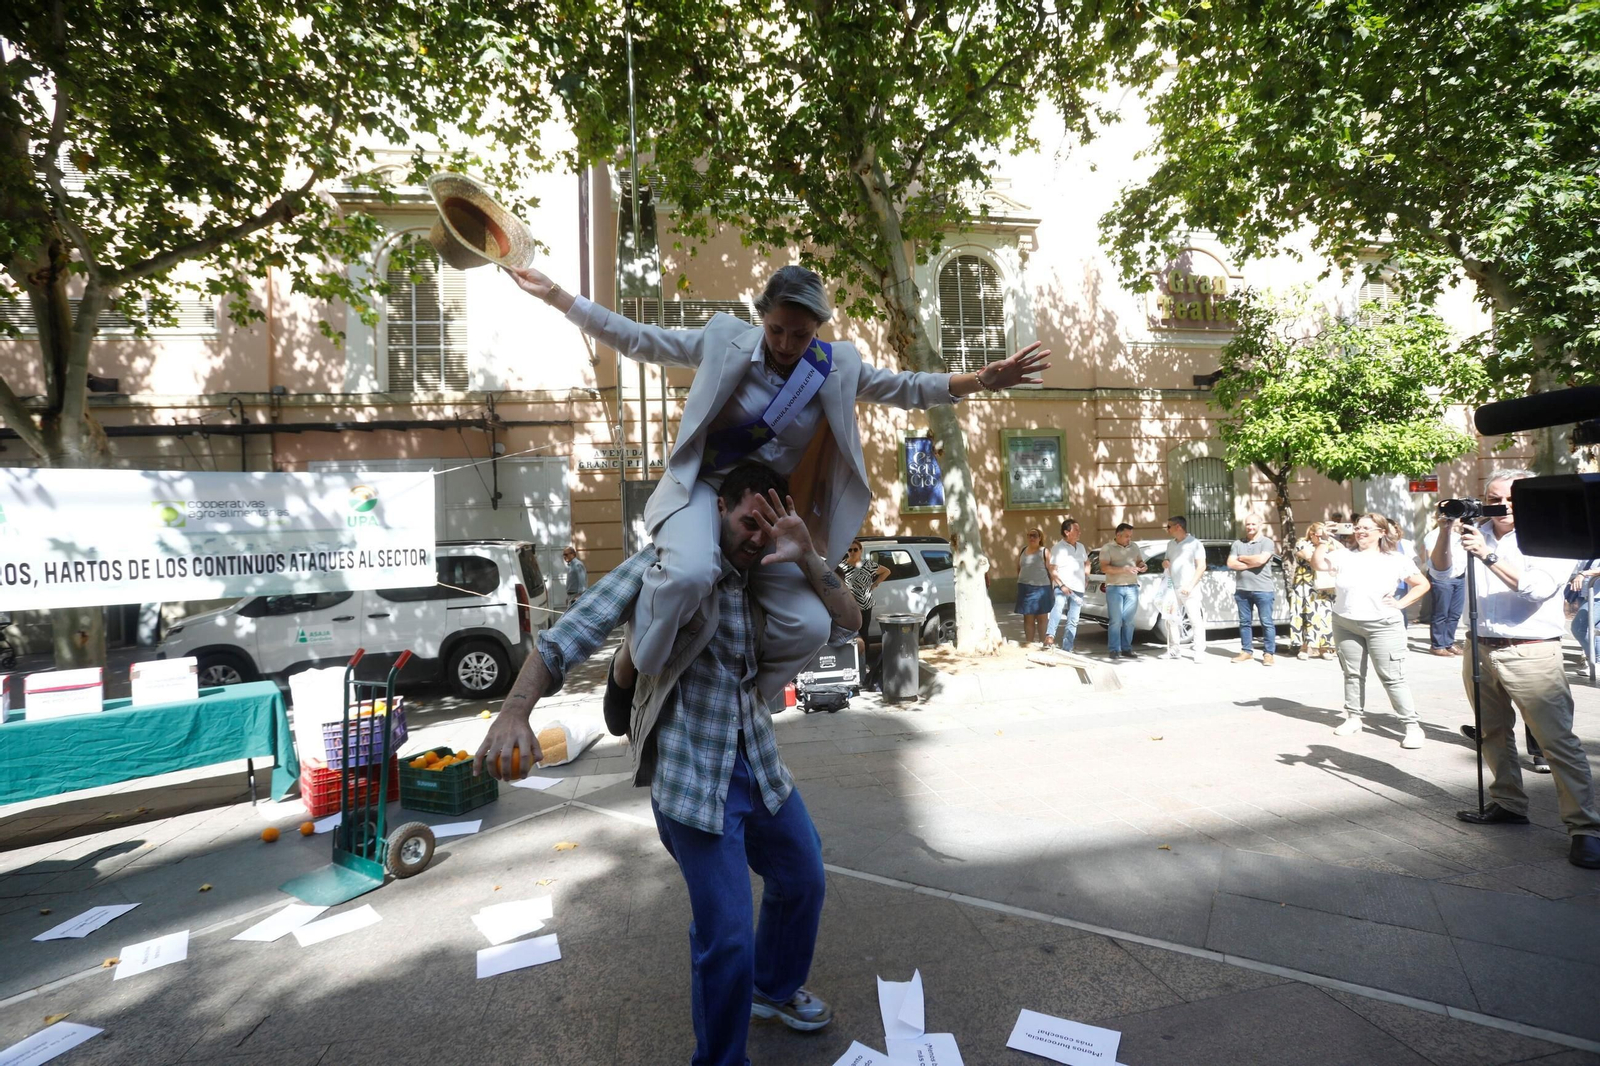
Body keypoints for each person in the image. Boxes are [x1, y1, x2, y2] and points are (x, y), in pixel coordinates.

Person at [507, 262, 1048, 710]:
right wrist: (557, 296)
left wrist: (981, 380)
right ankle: (632, 667)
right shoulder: (723, 341)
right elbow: (639, 339)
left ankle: (749, 700)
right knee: (691, 573)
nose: (787, 344)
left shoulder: (835, 367)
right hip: (708, 490)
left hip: (772, 505)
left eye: (801, 334)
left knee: (809, 625)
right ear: (761, 318)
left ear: (818, 329)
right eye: (777, 330)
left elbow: (905, 387)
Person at [474, 462, 863, 1063]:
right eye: (748, 521)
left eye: (768, 524)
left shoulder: (769, 576)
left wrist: (806, 555)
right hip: (691, 779)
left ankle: (772, 988)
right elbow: (569, 634)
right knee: (726, 936)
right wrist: (514, 710)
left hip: (760, 767)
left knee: (804, 878)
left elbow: (849, 620)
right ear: (719, 509)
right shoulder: (667, 568)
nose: (757, 536)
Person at [1433, 470, 1599, 869]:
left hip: (1532, 651)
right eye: (1494, 498)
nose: (1503, 506)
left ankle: (1585, 829)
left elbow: (1537, 589)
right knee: (1491, 732)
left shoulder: (1550, 537)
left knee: (1556, 742)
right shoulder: (1474, 532)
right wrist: (1445, 529)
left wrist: (1488, 556)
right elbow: (1441, 573)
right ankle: (1508, 802)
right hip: (1479, 646)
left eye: (1512, 499)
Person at [1313, 513, 1430, 747]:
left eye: (1366, 528)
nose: (1360, 532)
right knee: (1352, 674)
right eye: (1358, 528)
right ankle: (1353, 718)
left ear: (1381, 532)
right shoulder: (1343, 555)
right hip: (1345, 623)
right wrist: (1323, 541)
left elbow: (1422, 584)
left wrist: (1401, 604)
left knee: (1392, 677)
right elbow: (1318, 564)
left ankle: (1411, 726)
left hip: (1383, 625)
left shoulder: (1396, 559)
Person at [1228, 514, 1279, 665]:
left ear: (1260, 525)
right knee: (1244, 622)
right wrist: (1253, 562)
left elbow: (1262, 560)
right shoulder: (1237, 543)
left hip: (1263, 589)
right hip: (1242, 589)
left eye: (1253, 524)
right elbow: (1231, 563)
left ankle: (1268, 654)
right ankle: (1246, 651)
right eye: (1248, 524)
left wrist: (1242, 558)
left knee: (1267, 622)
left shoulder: (1267, 542)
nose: (1250, 527)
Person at [838, 539, 889, 688]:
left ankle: (863, 662)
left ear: (860, 550)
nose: (852, 552)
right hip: (849, 606)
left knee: (864, 633)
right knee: (850, 634)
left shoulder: (868, 565)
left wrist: (875, 584)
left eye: (855, 549)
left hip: (865, 604)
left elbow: (886, 571)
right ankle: (850, 661)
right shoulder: (842, 566)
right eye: (850, 550)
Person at [1098, 522, 1147, 660]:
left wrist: (1143, 566)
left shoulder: (1134, 546)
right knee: (1115, 620)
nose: (1129, 539)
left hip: (1132, 587)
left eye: (1130, 536)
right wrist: (1124, 569)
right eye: (1126, 536)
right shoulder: (1107, 548)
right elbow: (1104, 568)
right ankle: (1114, 649)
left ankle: (1126, 649)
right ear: (1118, 535)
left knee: (1129, 621)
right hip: (1114, 587)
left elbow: (1139, 561)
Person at [1161, 516, 1207, 661]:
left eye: (1169, 526)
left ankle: (1199, 651)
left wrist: (1190, 585)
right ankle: (1174, 649)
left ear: (1178, 527)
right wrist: (1165, 563)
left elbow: (1201, 566)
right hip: (1172, 587)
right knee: (1171, 619)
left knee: (1195, 620)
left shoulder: (1195, 543)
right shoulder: (1170, 544)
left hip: (1189, 588)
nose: (1167, 529)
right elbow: (1166, 560)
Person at [1287, 521, 1335, 660]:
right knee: (1306, 614)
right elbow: (1310, 558)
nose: (1320, 538)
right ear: (1312, 534)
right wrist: (1324, 546)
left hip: (1324, 585)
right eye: (1319, 535)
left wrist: (1330, 539)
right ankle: (1304, 647)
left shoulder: (1327, 543)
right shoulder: (1302, 543)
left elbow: (1341, 552)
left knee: (1324, 615)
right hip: (1305, 585)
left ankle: (1324, 647)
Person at [1423, 518, 1466, 656]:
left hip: (1459, 577)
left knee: (1455, 613)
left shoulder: (1458, 536)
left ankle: (1448, 642)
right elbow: (1432, 557)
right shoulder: (1433, 535)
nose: (1460, 520)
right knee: (1441, 613)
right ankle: (1437, 645)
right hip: (1443, 579)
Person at [1044, 518, 1088, 652]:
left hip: (1078, 588)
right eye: (1076, 530)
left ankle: (1067, 647)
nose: (1079, 532)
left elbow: (1087, 563)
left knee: (1073, 619)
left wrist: (1087, 577)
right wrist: (1062, 585)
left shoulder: (1081, 547)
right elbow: (1052, 569)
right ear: (1067, 532)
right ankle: (1050, 636)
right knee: (1058, 607)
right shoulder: (1058, 548)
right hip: (1061, 586)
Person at [1016, 528, 1053, 646]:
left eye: (1035, 535)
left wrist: (1052, 589)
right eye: (1029, 535)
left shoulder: (1044, 551)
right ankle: (1029, 644)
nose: (1032, 538)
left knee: (1042, 618)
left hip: (1042, 588)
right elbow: (1019, 568)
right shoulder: (1023, 550)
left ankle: (1043, 644)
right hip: (1025, 588)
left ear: (1040, 538)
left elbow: (1051, 571)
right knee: (1028, 618)